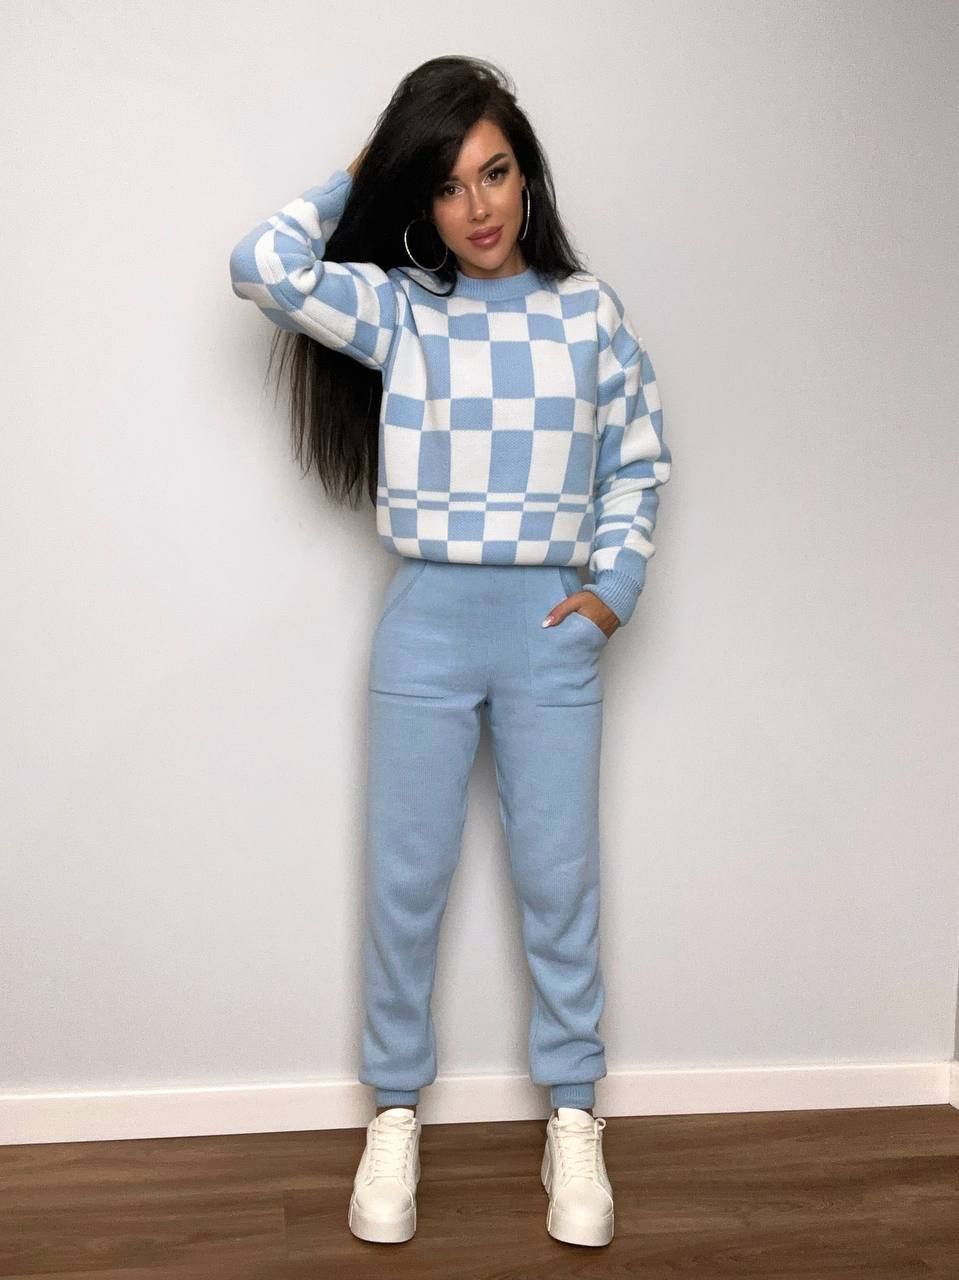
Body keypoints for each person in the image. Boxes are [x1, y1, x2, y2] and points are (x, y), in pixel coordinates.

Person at [229, 54, 671, 1249]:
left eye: (495, 172)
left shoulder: (587, 313)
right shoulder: (404, 308)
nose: (477, 206)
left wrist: (608, 593)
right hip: (424, 619)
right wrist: (365, 168)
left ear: (526, 177)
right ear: (421, 198)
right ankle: (392, 1116)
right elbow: (260, 268)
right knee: (404, 885)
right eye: (446, 181)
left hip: (543, 627)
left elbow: (637, 454)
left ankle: (572, 1120)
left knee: (558, 883)